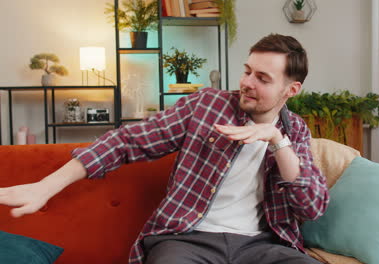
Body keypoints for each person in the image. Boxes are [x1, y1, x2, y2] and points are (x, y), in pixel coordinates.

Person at [0, 34, 329, 264]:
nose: (246, 83)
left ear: (292, 89)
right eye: (246, 71)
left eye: (262, 78)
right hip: (188, 240)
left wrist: (276, 139)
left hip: (262, 247)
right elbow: (127, 141)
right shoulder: (206, 106)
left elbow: (311, 207)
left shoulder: (294, 131)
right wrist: (45, 187)